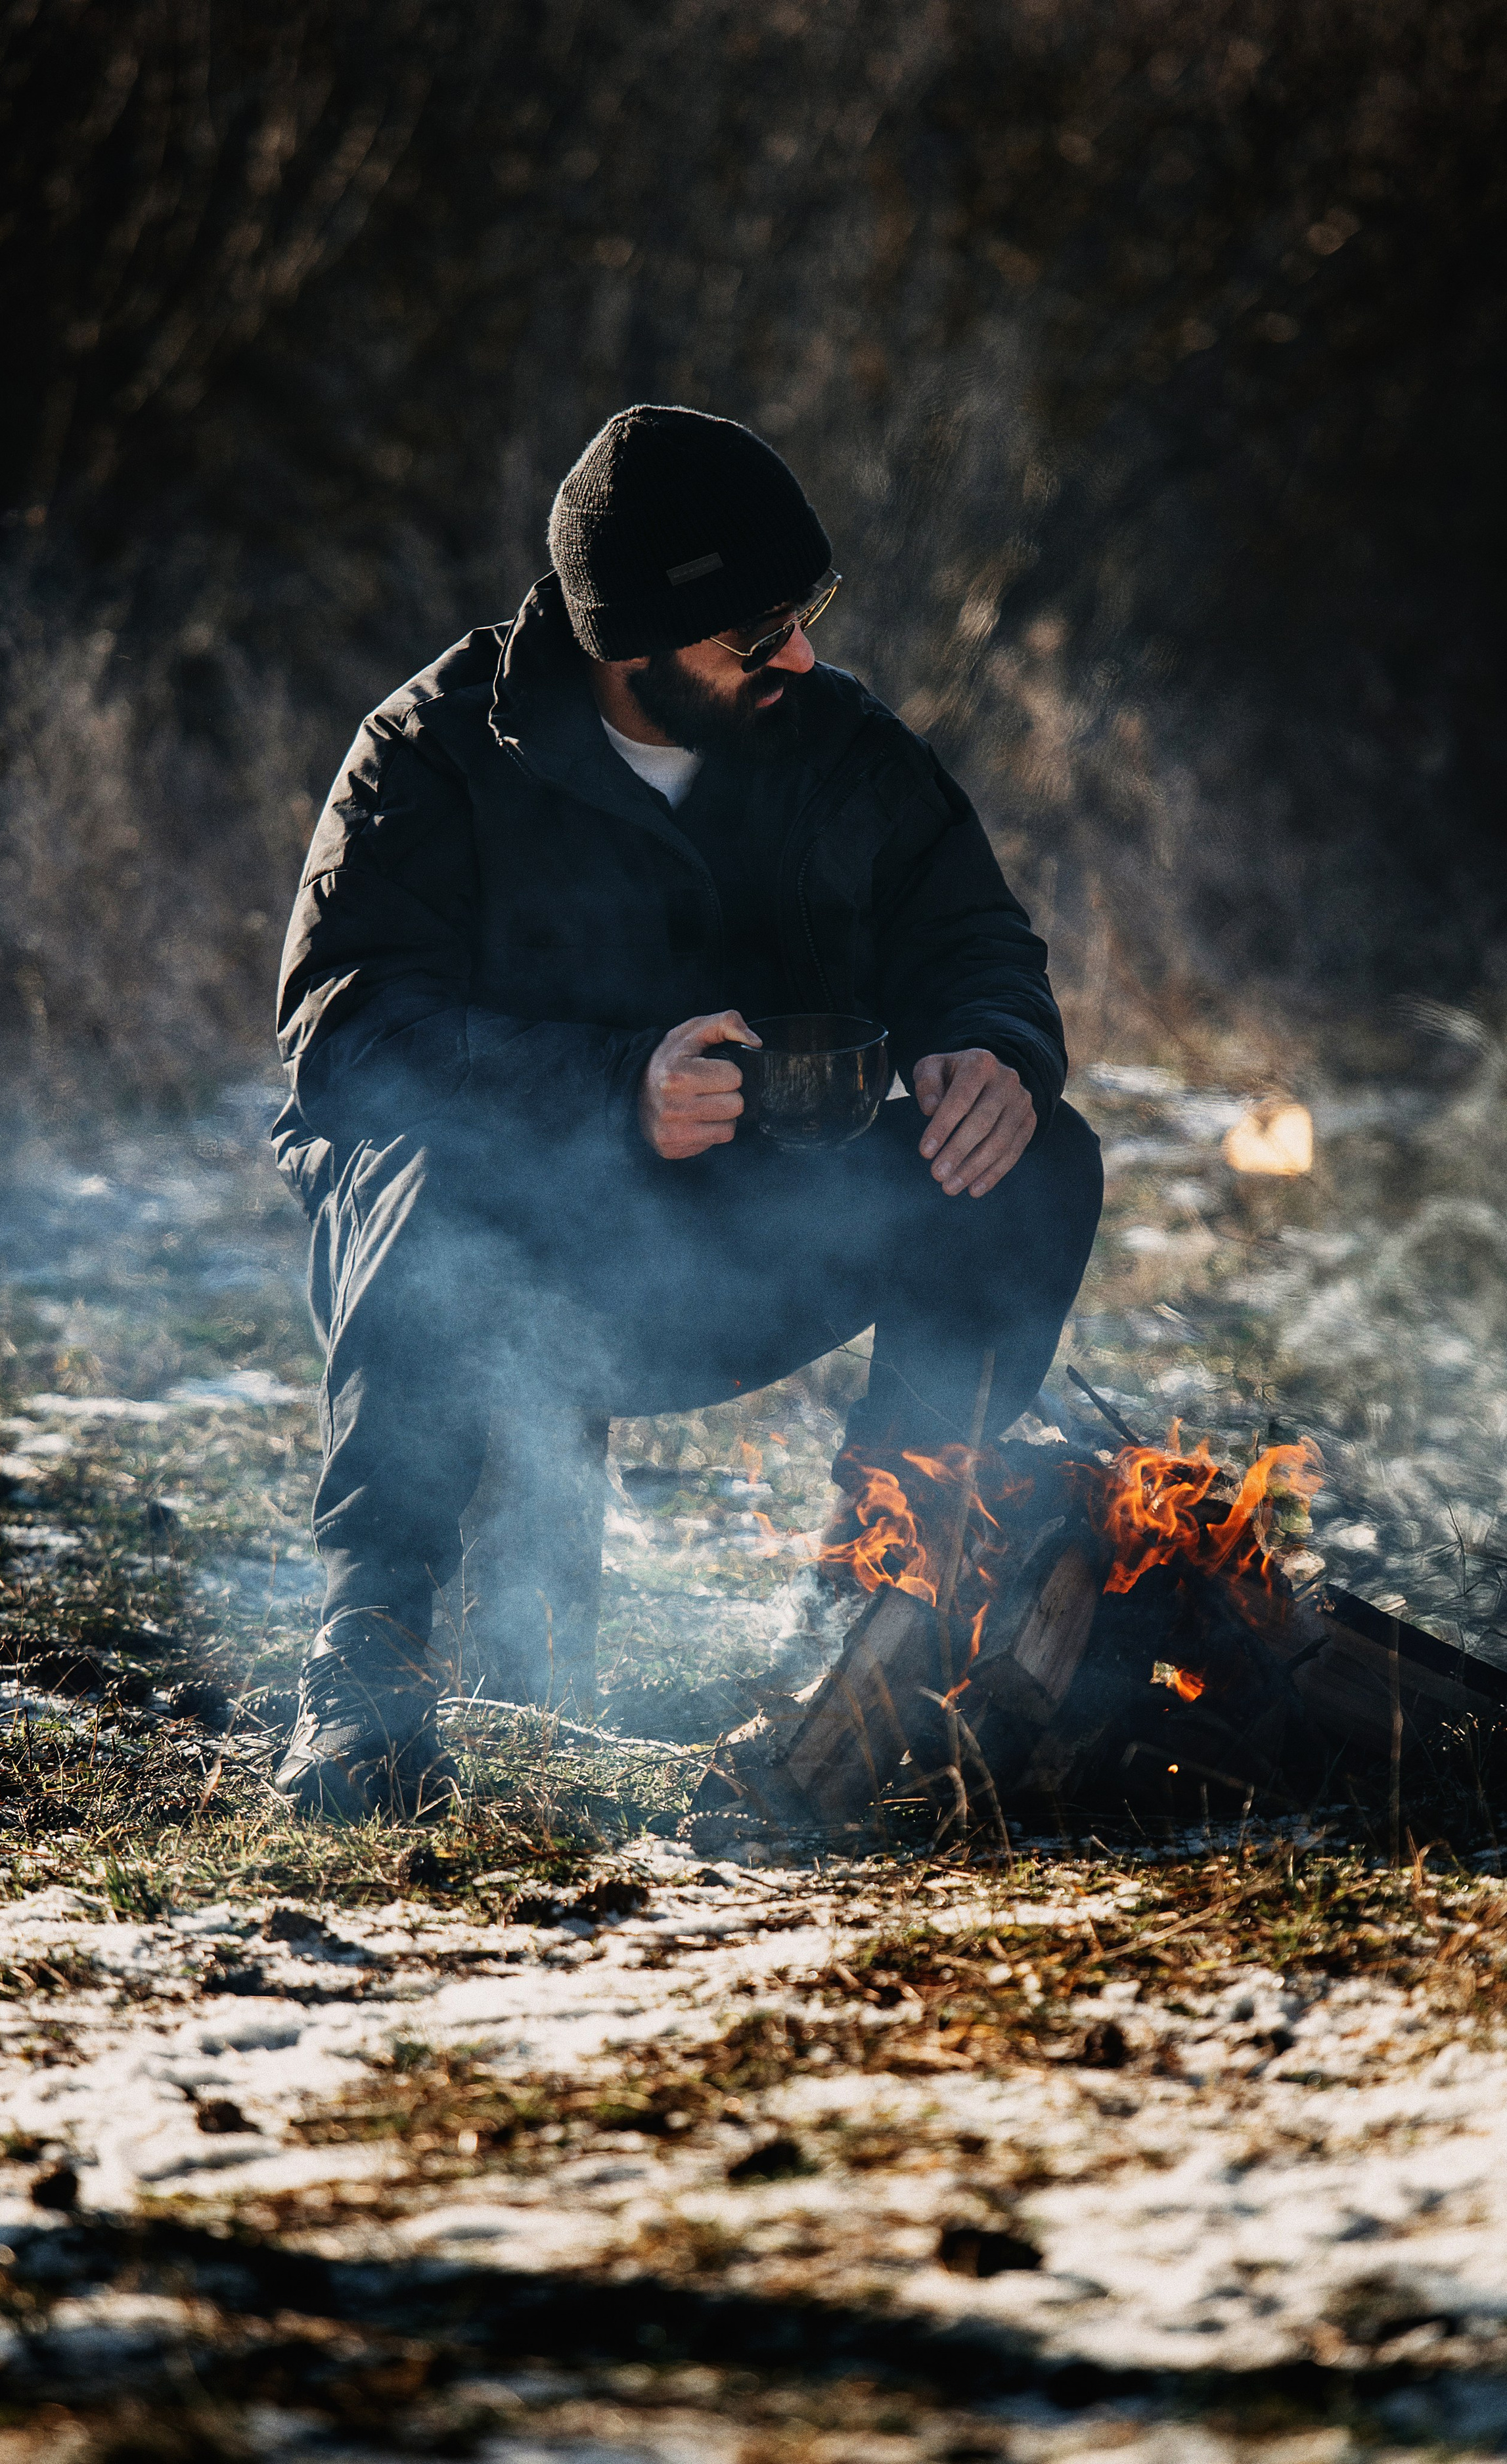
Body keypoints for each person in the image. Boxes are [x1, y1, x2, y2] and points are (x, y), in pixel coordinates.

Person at [270, 404, 1102, 1818]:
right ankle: (368, 1663)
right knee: (423, 1150)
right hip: (495, 1270)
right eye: (757, 631)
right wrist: (612, 1091)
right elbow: (341, 1037)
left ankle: (874, 1591)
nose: (802, 655)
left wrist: (989, 1049)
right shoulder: (431, 753)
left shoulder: (836, 748)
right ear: (625, 641)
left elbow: (971, 940)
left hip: (751, 1237)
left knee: (1030, 1160)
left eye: (804, 613)